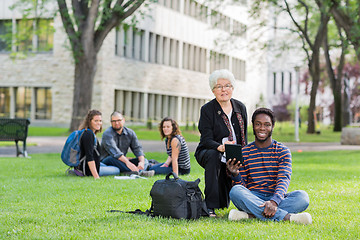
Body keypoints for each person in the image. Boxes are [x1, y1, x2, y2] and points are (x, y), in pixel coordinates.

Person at [227, 108, 312, 225]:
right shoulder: (244, 152)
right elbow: (243, 187)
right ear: (253, 126)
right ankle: (289, 218)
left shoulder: (283, 151)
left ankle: (250, 215)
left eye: (267, 125)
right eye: (258, 124)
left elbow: (283, 179)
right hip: (253, 196)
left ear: (272, 126)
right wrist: (236, 174)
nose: (262, 128)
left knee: (302, 197)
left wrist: (274, 202)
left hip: (276, 196)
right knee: (235, 191)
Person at [194, 69, 248, 217]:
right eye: (219, 86)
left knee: (224, 203)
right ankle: (209, 207)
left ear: (232, 88)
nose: (224, 89)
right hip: (210, 151)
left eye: (227, 86)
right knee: (213, 156)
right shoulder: (207, 109)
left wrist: (244, 153)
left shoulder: (240, 107)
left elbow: (244, 136)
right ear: (213, 90)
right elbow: (205, 139)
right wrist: (220, 147)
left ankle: (247, 201)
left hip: (233, 153)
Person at [100, 111, 155, 177]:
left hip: (123, 161)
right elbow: (115, 153)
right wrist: (128, 163)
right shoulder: (107, 134)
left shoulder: (130, 133)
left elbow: (137, 149)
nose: (116, 123)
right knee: (112, 158)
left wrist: (141, 162)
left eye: (119, 120)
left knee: (145, 160)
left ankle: (131, 171)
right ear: (111, 122)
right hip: (107, 161)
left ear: (123, 120)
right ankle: (139, 172)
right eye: (114, 121)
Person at [72, 109, 120, 179]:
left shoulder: (91, 133)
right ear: (89, 121)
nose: (99, 123)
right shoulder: (88, 134)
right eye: (96, 121)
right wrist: (96, 176)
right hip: (87, 169)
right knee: (116, 170)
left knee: (111, 165)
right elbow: (89, 157)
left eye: (100, 121)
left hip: (92, 164)